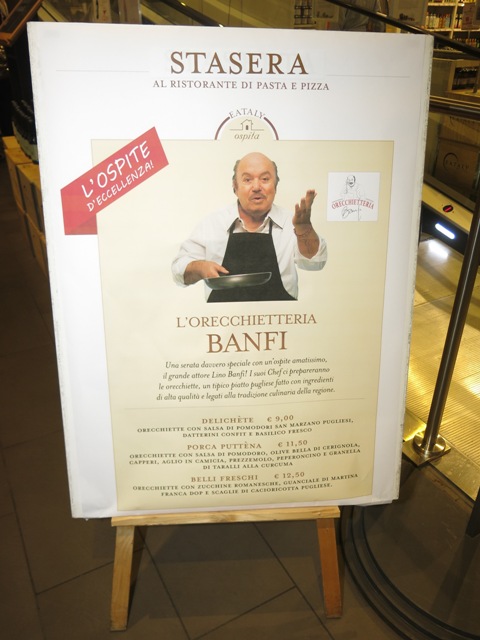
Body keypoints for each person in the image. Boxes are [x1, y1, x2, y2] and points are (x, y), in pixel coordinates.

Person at [171, 152, 327, 302]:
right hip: (224, 318)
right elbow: (179, 269)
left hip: (280, 317)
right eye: (247, 180)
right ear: (235, 186)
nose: (257, 187)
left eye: (265, 179)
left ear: (275, 186)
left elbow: (315, 263)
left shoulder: (291, 221)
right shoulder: (213, 223)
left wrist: (304, 230)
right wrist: (200, 267)